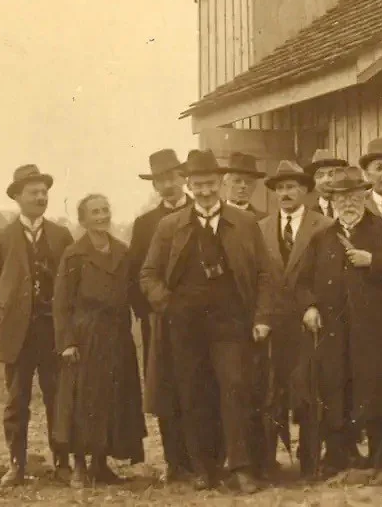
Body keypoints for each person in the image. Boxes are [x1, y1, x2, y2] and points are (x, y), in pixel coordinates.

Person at [139, 149, 275, 493]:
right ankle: (204, 469)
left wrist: (261, 316)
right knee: (193, 394)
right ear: (189, 184)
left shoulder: (244, 223)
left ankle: (240, 467)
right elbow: (148, 274)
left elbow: (264, 273)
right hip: (186, 327)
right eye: (198, 185)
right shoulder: (170, 226)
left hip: (231, 324)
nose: (205, 191)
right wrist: (168, 305)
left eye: (211, 184)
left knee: (235, 389)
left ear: (221, 182)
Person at [296, 166, 382, 485]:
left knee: (378, 392)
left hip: (376, 330)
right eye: (340, 197)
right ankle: (340, 458)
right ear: (332, 200)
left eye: (353, 196)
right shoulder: (321, 238)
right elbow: (302, 282)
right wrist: (309, 306)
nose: (347, 202)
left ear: (364, 196)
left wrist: (374, 261)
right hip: (335, 331)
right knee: (337, 391)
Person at [0, 164, 75, 486]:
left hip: (53, 333)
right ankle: (17, 465)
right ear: (17, 197)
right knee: (16, 401)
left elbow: (70, 282)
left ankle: (62, 462)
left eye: (44, 192)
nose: (41, 197)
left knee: (58, 399)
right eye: (33, 192)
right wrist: (14, 315)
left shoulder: (61, 236)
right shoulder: (1, 239)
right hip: (18, 336)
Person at [53, 194, 147, 488]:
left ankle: (100, 464)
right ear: (83, 220)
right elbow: (62, 302)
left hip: (117, 334)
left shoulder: (123, 252)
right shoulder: (74, 255)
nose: (102, 216)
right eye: (95, 212)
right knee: (84, 400)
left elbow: (135, 293)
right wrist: (68, 342)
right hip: (86, 335)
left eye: (105, 210)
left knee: (113, 398)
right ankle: (80, 466)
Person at [125, 149, 204, 482]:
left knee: (201, 385)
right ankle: (175, 461)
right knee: (166, 388)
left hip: (201, 319)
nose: (168, 184)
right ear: (154, 185)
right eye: (160, 180)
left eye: (172, 177)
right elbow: (135, 274)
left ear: (183, 178)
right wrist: (149, 313)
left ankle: (204, 459)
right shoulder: (145, 224)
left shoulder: (202, 211)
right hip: (160, 321)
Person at [256, 160, 331, 475]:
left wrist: (313, 305)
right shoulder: (260, 228)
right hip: (273, 324)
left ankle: (310, 459)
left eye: (291, 187)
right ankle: (268, 460)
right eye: (280, 188)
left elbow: (327, 276)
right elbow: (258, 276)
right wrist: (261, 316)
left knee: (309, 391)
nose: (285, 193)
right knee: (271, 392)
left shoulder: (324, 225)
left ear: (304, 190)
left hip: (308, 321)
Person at [305, 149, 349, 218]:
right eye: (320, 175)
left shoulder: (353, 207)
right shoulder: (305, 212)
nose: (326, 180)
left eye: (331, 174)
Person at [224, 152, 267, 219]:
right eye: (237, 181)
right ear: (225, 182)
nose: (243, 186)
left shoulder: (265, 220)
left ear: (255, 186)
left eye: (249, 182)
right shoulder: (214, 217)